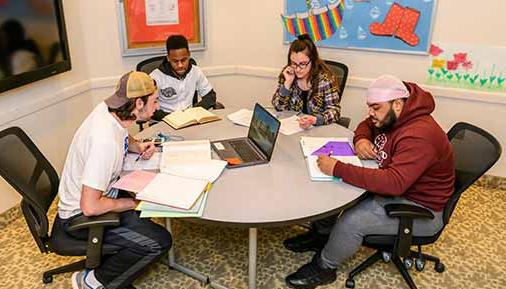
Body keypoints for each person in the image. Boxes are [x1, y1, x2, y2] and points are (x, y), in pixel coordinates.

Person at [285, 75, 455, 288]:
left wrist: (337, 167)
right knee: (334, 190)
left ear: (398, 104)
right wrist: (362, 139)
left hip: (419, 208)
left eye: (376, 108)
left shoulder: (419, 135)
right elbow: (366, 124)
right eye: (369, 107)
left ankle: (325, 267)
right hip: (399, 187)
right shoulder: (395, 115)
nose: (370, 113)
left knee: (352, 221)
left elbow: (394, 183)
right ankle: (321, 235)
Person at [55, 71, 172, 289]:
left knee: (145, 207)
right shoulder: (105, 143)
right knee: (159, 242)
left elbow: (122, 131)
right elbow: (90, 206)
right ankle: (92, 282)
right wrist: (134, 203)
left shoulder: (108, 111)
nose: (157, 107)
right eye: (154, 101)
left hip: (95, 197)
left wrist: (136, 145)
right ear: (138, 103)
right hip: (79, 218)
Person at [272, 34, 341, 129]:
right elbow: (278, 107)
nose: (298, 69)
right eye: (294, 63)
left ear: (312, 60)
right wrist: (287, 84)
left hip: (318, 130)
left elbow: (335, 112)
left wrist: (315, 120)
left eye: (303, 64)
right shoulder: (287, 73)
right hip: (292, 128)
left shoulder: (325, 79)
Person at [149, 34, 218, 121]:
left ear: (189, 55)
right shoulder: (155, 77)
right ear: (168, 58)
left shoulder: (195, 71)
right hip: (164, 121)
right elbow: (148, 106)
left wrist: (195, 111)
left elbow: (210, 96)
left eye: (183, 60)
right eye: (175, 61)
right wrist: (171, 118)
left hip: (189, 120)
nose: (180, 65)